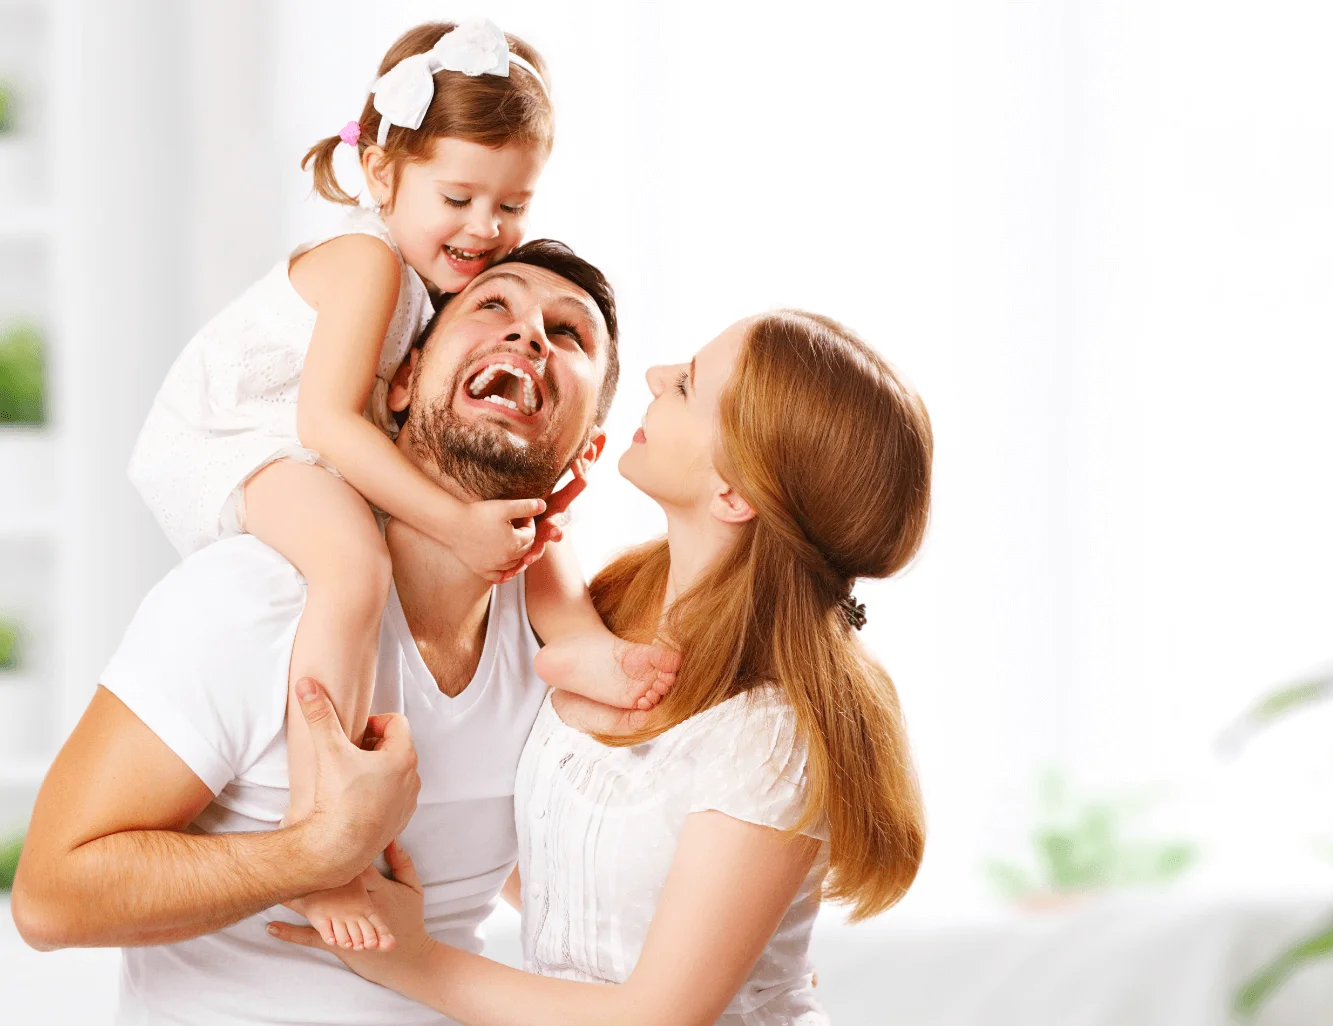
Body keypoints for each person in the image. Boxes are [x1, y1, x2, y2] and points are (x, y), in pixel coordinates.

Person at [125, 18, 673, 951]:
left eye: (512, 205)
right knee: (352, 566)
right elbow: (326, 423)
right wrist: (456, 527)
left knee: (503, 488)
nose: (486, 230)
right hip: (238, 436)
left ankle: (575, 636)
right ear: (381, 174)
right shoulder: (370, 260)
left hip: (321, 434)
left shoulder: (437, 282)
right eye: (459, 197)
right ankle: (323, 833)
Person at [11, 243, 628, 1026]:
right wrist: (312, 854)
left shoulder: (559, 644)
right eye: (493, 305)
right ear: (402, 380)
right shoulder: (255, 595)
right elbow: (49, 898)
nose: (529, 334)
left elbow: (528, 869)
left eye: (567, 333)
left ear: (588, 450)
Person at [271, 310, 934, 1025]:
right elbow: (579, 861)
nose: (654, 376)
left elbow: (656, 1017)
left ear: (734, 495)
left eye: (686, 386)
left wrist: (412, 958)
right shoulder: (606, 618)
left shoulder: (768, 735)